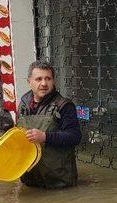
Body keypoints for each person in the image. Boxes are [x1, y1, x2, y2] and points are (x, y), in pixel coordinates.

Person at [17, 60, 81, 189]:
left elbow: (75, 136)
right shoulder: (23, 104)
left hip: (58, 182)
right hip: (30, 180)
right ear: (29, 82)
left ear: (53, 81)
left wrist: (45, 137)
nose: (44, 83)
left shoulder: (64, 106)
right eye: (38, 79)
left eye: (48, 79)